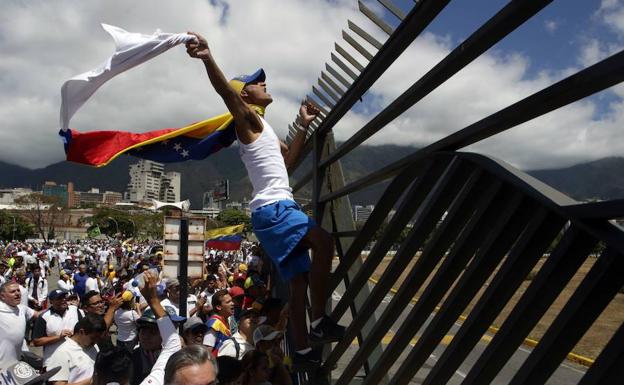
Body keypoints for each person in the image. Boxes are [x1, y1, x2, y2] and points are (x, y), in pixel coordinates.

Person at [185, 32, 344, 366]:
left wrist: (302, 124)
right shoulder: (248, 119)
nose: (265, 83)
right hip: (274, 208)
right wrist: (207, 57)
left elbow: (288, 163)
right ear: (246, 94)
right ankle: (318, 322)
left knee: (299, 283)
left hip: (274, 209)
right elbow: (225, 92)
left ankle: (300, 351)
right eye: (258, 82)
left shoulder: (264, 129)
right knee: (324, 241)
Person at [137, 270, 182, 385]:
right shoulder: (130, 360)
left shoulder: (177, 358)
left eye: (152, 332)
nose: (146, 336)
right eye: (144, 331)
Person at [46, 313, 108, 385]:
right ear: (81, 332)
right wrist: (91, 381)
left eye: (98, 338)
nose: (96, 341)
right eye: (93, 338)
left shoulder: (93, 346)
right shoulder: (63, 352)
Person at [32, 290, 82, 369]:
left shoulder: (74, 310)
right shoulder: (44, 317)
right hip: (53, 361)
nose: (63, 300)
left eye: (64, 297)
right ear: (51, 302)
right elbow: (37, 341)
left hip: (75, 358)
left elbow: (84, 328)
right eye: (59, 298)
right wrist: (59, 337)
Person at [0, 281, 37, 369]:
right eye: (13, 292)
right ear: (2, 296)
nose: (17, 293)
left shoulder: (22, 308)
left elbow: (38, 315)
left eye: (18, 290)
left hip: (17, 362)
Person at [203, 289, 233, 356]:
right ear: (218, 307)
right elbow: (207, 351)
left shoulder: (227, 320)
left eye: (231, 301)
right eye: (228, 302)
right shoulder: (213, 324)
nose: (232, 304)